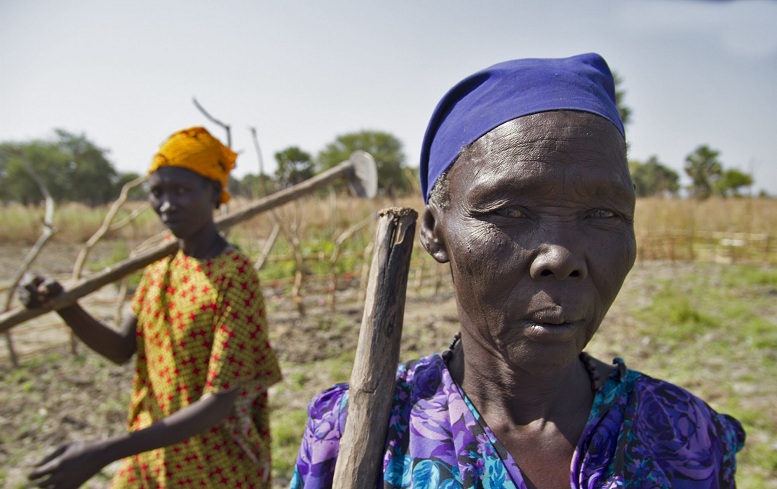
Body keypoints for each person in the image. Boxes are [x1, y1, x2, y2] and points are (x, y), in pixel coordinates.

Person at [290, 54, 745, 488]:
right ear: (433, 231)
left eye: (604, 214)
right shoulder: (360, 432)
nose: (561, 257)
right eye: (510, 210)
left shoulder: (684, 437)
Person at [20, 127, 282, 489]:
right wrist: (63, 306)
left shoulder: (232, 275)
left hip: (213, 464)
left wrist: (101, 453)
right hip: (150, 453)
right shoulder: (161, 263)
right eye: (157, 193)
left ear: (214, 193)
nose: (167, 204)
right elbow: (121, 349)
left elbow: (219, 402)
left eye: (181, 190)